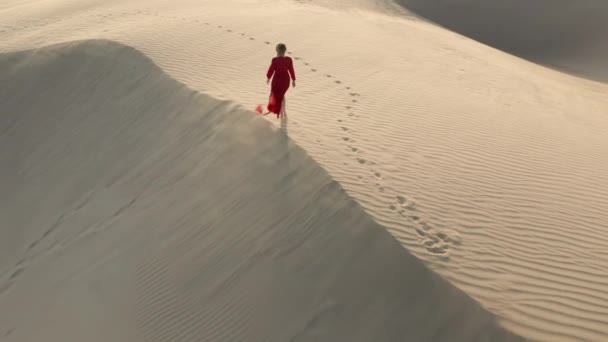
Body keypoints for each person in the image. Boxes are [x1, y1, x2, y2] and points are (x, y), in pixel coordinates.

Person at [264, 43, 296, 118]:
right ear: (284, 51)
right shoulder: (289, 60)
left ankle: (280, 111)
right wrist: (293, 80)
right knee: (281, 95)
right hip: (285, 81)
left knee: (276, 95)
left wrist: (268, 78)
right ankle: (283, 112)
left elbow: (271, 70)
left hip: (277, 81)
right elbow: (291, 70)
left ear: (277, 51)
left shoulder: (275, 60)